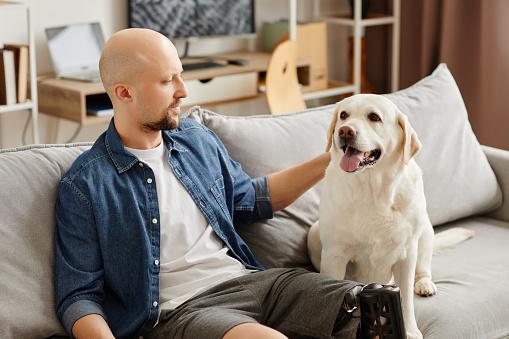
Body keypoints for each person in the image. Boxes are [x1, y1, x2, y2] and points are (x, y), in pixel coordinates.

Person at [54, 28, 363, 339]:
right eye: (166, 81)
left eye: (180, 75)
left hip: (253, 283)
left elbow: (251, 200)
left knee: (371, 305)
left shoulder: (195, 140)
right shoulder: (86, 184)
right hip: (183, 310)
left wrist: (334, 159)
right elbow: (78, 296)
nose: (183, 91)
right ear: (124, 93)